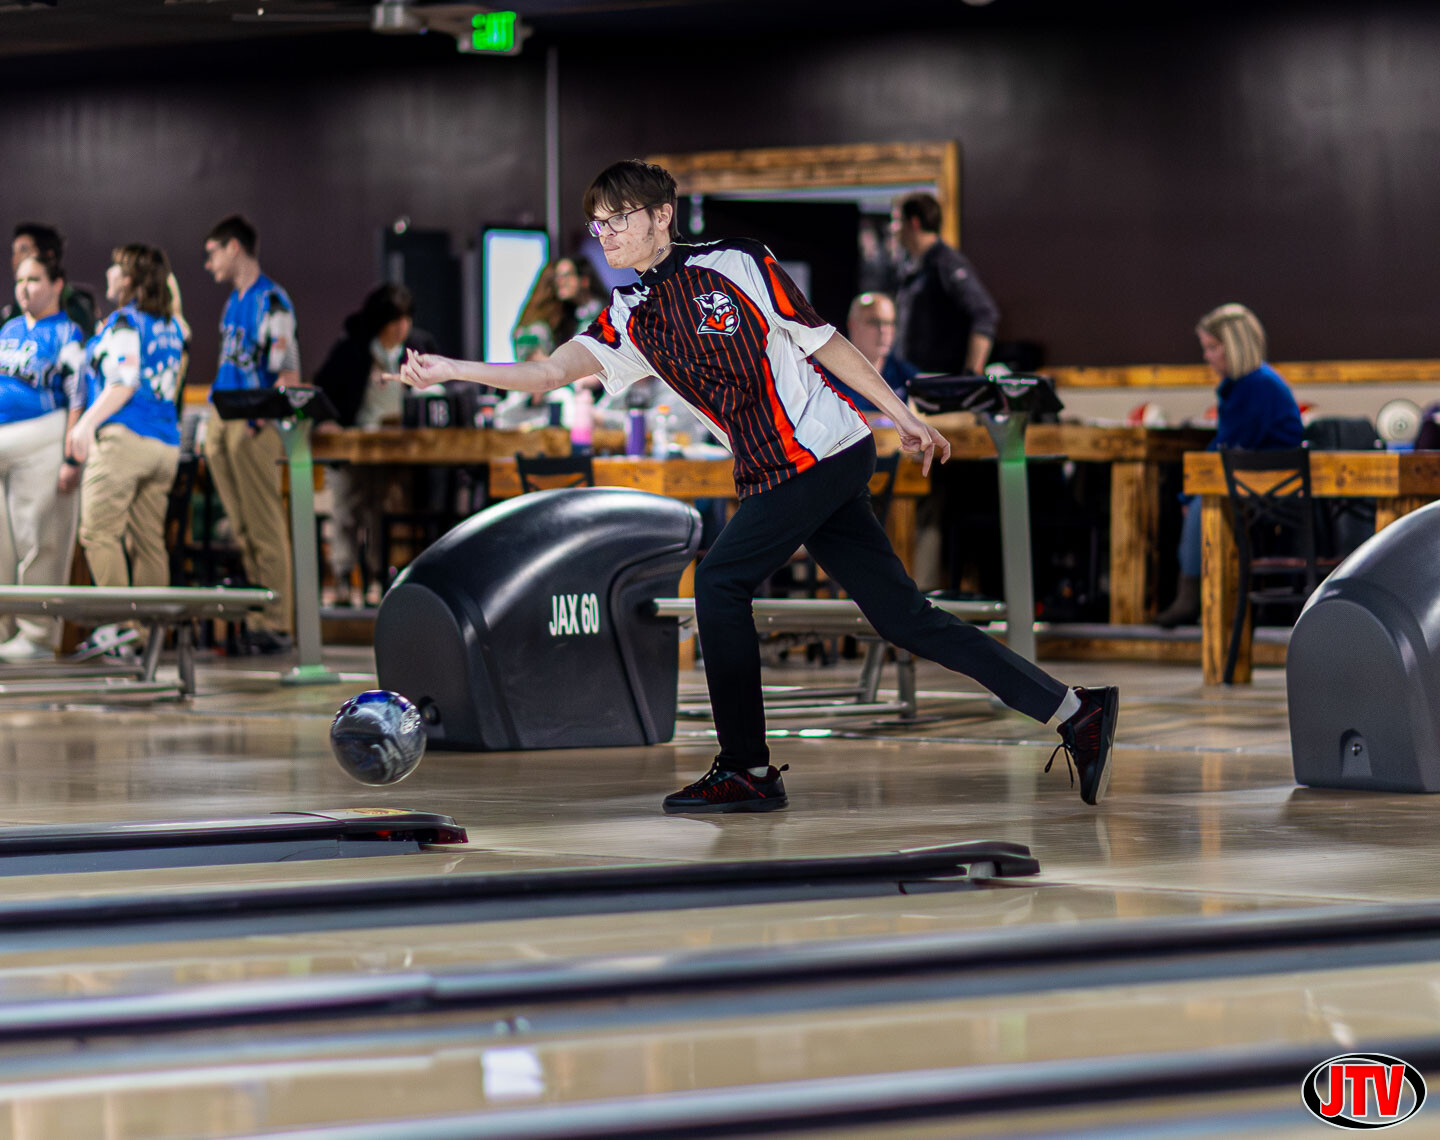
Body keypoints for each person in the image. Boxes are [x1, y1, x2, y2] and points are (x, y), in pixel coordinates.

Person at [395, 158, 1119, 814]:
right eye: (598, 223)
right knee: (903, 617)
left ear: (661, 216)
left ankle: (746, 767)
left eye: (618, 218)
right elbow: (549, 371)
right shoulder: (629, 315)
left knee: (720, 584)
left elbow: (825, 340)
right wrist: (455, 369)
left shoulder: (737, 262)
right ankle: (1074, 710)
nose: (605, 233)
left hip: (824, 452)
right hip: (779, 472)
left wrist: (903, 416)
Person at [67, 245, 187, 657]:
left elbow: (124, 381)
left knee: (98, 532)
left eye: (116, 267)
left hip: (126, 441)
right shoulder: (172, 326)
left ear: (130, 278)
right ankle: (151, 636)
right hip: (165, 446)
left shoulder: (125, 322)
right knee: (149, 541)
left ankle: (120, 628)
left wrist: (85, 424)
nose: (108, 273)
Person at [1155, 303, 1304, 628]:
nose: (1207, 357)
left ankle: (1194, 596)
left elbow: (1228, 447)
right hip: (1266, 486)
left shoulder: (1254, 386)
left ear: (1234, 346)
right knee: (1200, 496)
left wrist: (1187, 495)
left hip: (1273, 493)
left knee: (1202, 504)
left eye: (1212, 347)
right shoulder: (1257, 382)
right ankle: (1200, 595)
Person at [201, 215, 298, 654]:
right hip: (223, 416)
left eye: (213, 253)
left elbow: (287, 371)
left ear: (234, 247)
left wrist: (260, 421)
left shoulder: (272, 300)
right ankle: (260, 617)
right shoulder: (233, 302)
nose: (209, 264)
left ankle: (277, 622)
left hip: (253, 420)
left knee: (263, 524)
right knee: (240, 527)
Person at [313, 282, 434, 606]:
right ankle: (343, 578)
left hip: (399, 450)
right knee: (347, 508)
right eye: (395, 319)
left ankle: (384, 578)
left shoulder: (418, 347)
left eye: (406, 318)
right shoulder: (353, 349)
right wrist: (328, 422)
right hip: (355, 446)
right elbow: (324, 390)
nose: (402, 326)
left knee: (385, 511)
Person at [0, 252, 87, 662]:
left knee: (39, 538)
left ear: (56, 284)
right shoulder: (10, 328)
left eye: (34, 279)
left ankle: (36, 635)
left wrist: (71, 455)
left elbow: (77, 394)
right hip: (3, 437)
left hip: (43, 435)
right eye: (20, 280)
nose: (24, 288)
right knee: (3, 544)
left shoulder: (67, 332)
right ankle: (3, 629)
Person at [891, 192, 998, 375]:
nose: (894, 228)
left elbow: (985, 314)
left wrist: (971, 374)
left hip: (940, 380)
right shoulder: (912, 267)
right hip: (912, 376)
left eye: (898, 221)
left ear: (914, 223)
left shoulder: (946, 263)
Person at [824, 292, 918, 413]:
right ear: (853, 326)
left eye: (889, 323)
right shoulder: (824, 375)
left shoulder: (905, 375)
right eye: (873, 322)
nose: (883, 330)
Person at [4, 223, 97, 335]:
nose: (15, 259)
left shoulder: (77, 307)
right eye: (14, 252)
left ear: (49, 255)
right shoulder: (10, 317)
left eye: (23, 250)